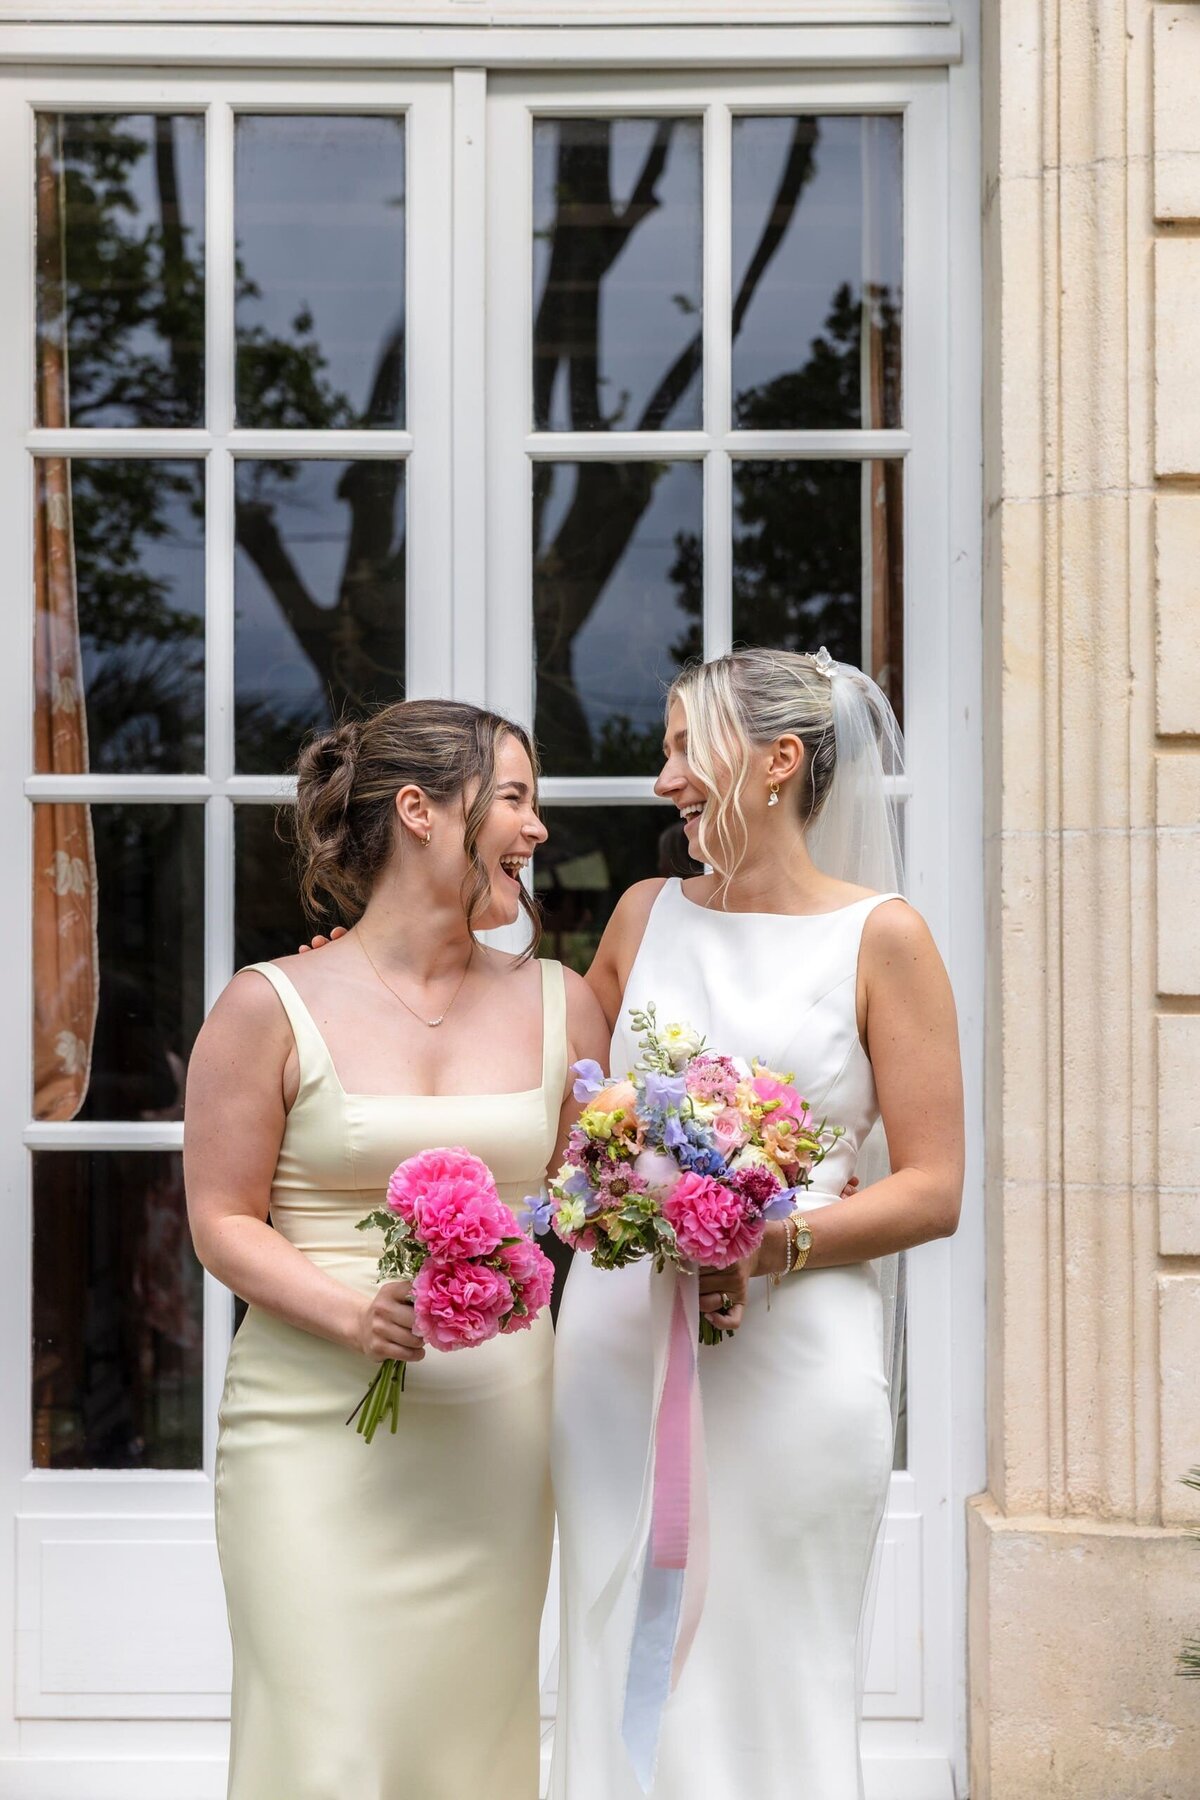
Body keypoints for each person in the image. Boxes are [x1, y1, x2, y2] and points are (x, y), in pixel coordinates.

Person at [550, 647, 965, 1799]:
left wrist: (765, 1240)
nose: (662, 778)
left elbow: (933, 1186)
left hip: (796, 1353)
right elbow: (559, 1109)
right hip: (620, 1342)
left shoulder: (885, 938)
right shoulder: (642, 916)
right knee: (610, 1618)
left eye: (686, 747)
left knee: (777, 1647)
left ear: (779, 761)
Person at [184, 699, 609, 1800]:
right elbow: (221, 1220)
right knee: (324, 1745)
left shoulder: (565, 1005)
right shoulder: (268, 1005)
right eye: (514, 798)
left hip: (497, 1434)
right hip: (309, 1431)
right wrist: (345, 1312)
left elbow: (596, 1208)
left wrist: (730, 1202)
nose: (536, 829)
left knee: (466, 1749)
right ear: (419, 811)